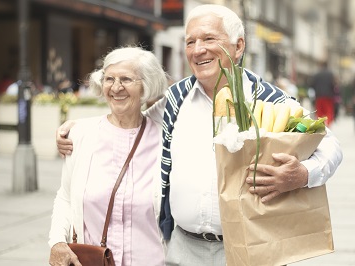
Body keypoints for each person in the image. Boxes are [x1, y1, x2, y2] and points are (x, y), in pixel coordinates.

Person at [55, 5, 343, 266]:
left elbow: (329, 144)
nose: (197, 49)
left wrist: (302, 174)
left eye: (208, 39)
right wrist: (78, 127)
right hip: (182, 249)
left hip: (246, 248)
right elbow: (128, 116)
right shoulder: (175, 99)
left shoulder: (267, 98)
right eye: (190, 42)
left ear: (238, 45)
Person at [48, 46, 168, 266]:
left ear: (146, 86)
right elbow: (65, 197)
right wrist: (56, 242)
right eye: (109, 79)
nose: (116, 87)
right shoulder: (80, 135)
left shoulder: (165, 141)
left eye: (126, 79)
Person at [311, 61, 337, 126]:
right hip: (328, 96)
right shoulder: (330, 74)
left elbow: (312, 85)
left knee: (319, 111)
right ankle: (328, 124)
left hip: (318, 96)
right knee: (329, 111)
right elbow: (333, 85)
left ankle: (320, 125)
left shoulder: (317, 74)